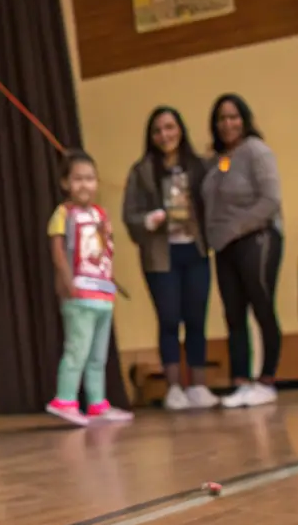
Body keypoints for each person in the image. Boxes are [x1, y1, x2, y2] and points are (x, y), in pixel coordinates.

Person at [122, 107, 215, 411]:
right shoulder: (141, 171)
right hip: (161, 256)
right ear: (151, 136)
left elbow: (216, 201)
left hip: (195, 251)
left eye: (170, 127)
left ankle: (198, 385)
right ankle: (174, 388)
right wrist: (149, 221)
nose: (165, 135)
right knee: (169, 319)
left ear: (180, 129)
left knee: (196, 319)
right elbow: (130, 215)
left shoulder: (199, 166)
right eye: (158, 130)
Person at [201, 94, 284, 409]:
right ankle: (241, 381)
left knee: (261, 305)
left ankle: (267, 380)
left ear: (245, 119)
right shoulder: (217, 160)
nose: (227, 124)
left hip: (257, 238)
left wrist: (237, 227)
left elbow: (270, 200)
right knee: (233, 314)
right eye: (221, 119)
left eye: (233, 117)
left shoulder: (256, 151)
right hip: (224, 246)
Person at [45, 151, 133, 427]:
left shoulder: (100, 214)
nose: (85, 185)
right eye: (78, 179)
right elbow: (58, 250)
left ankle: (97, 403)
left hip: (102, 294)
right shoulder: (63, 213)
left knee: (98, 356)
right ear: (65, 183)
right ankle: (65, 399)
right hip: (79, 295)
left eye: (90, 179)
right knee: (77, 350)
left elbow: (104, 249)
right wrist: (66, 280)